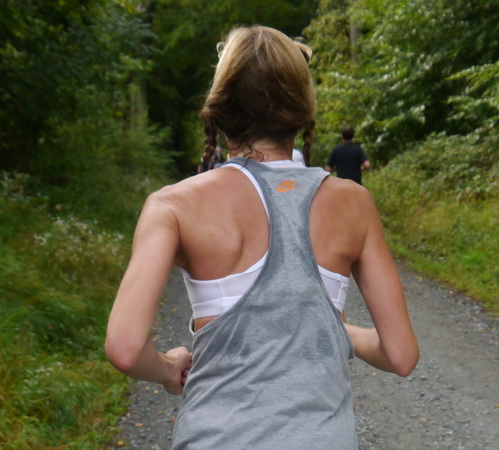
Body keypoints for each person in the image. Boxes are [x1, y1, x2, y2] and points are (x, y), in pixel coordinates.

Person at [105, 26, 418, 449]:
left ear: (219, 109)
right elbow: (401, 356)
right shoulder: (354, 203)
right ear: (302, 111)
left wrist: (168, 366)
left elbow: (125, 349)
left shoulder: (172, 205)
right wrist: (338, 331)